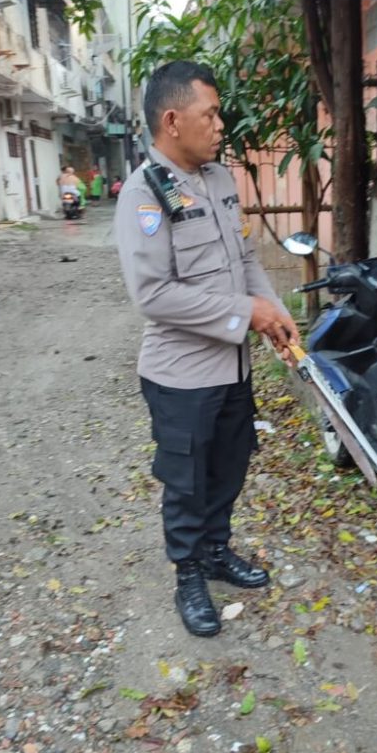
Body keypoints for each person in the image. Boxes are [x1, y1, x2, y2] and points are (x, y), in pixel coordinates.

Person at [115, 60, 299, 637]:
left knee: (228, 467)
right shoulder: (144, 196)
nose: (221, 125)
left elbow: (244, 262)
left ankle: (217, 551)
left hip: (231, 366)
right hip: (180, 377)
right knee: (187, 480)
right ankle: (188, 573)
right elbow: (154, 295)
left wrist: (273, 312)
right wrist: (247, 313)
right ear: (172, 120)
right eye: (211, 114)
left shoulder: (219, 181)